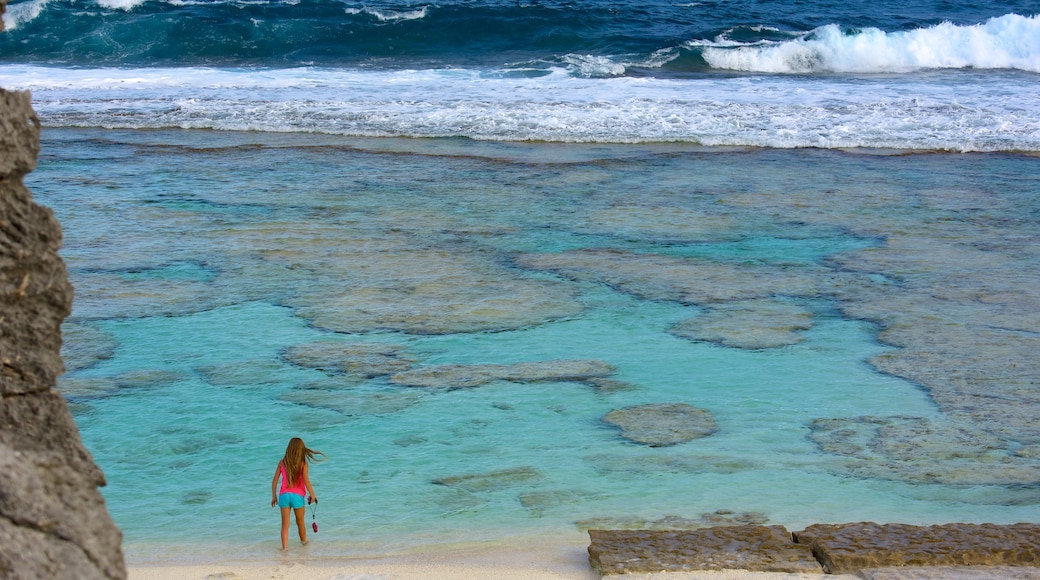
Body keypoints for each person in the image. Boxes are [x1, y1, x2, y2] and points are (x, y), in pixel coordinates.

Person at [271, 437, 325, 550]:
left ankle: (285, 548)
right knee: (300, 522)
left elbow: (275, 480)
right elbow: (306, 481)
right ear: (301, 450)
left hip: (284, 496)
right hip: (297, 497)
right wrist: (313, 495)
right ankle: (304, 543)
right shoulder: (303, 464)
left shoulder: (282, 462)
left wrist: (274, 496)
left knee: (285, 525)